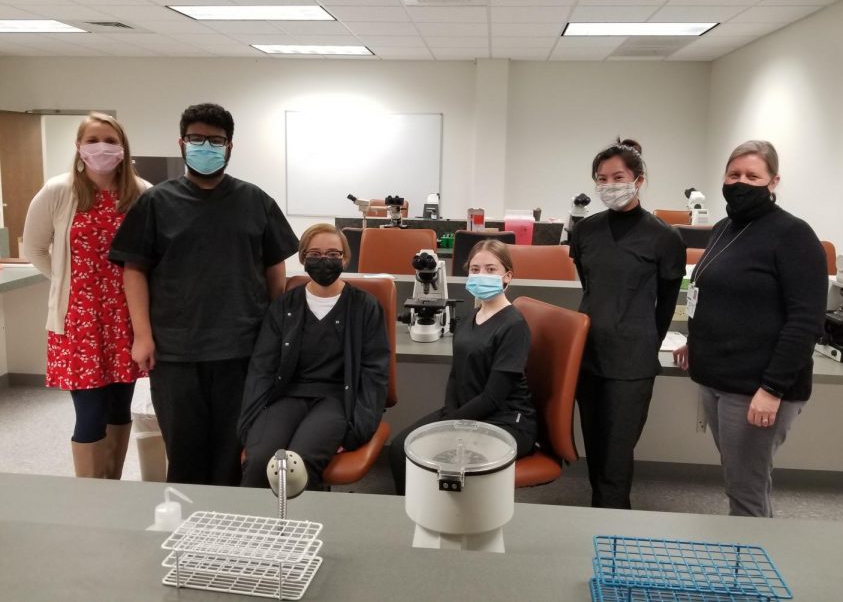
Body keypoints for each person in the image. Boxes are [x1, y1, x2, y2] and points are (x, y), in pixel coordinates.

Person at [109, 103, 299, 486]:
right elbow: (134, 271)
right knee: (185, 451)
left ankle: (231, 531)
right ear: (182, 143)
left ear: (230, 147)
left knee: (234, 449)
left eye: (216, 140)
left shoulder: (255, 201)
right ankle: (187, 530)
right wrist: (142, 335)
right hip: (177, 351)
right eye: (197, 139)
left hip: (242, 349)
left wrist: (277, 331)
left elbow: (274, 269)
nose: (206, 146)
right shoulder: (155, 203)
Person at [674, 140, 827, 517]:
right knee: (743, 478)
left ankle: (748, 571)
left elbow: (805, 321)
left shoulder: (793, 235)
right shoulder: (725, 227)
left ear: (773, 182)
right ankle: (749, 561)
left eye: (752, 176)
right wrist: (695, 341)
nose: (741, 182)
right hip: (718, 379)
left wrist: (772, 389)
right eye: (734, 174)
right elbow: (709, 293)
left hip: (758, 387)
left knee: (745, 492)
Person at [23, 112, 150, 479]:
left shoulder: (141, 194)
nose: (102, 148)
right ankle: (89, 494)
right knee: (90, 414)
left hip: (126, 320)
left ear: (123, 148)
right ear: (79, 147)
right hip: (79, 322)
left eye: (110, 141)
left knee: (119, 409)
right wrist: (67, 281)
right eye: (93, 140)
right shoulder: (59, 191)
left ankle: (110, 485)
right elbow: (34, 248)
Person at [570, 138, 686, 509]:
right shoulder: (584, 232)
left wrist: (642, 341)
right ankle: (598, 513)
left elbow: (667, 301)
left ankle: (614, 524)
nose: (609, 185)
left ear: (638, 179)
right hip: (588, 355)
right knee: (596, 445)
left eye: (617, 176)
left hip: (633, 359)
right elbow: (591, 288)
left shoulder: (664, 237)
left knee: (618, 453)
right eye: (601, 178)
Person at [238, 224, 390, 489]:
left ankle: (304, 529)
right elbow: (262, 368)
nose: (324, 260)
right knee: (260, 458)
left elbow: (374, 373)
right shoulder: (285, 305)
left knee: (300, 463)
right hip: (289, 395)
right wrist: (250, 423)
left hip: (336, 399)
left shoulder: (365, 306)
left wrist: (358, 431)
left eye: (333, 254)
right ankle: (257, 528)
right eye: (315, 253)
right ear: (303, 257)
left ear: (345, 258)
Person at [389, 239, 536, 494]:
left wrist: (450, 423)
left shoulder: (514, 325)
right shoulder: (469, 319)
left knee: (447, 464)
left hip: (505, 420)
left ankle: (451, 521)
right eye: (475, 269)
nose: (481, 275)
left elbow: (493, 397)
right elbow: (456, 376)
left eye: (491, 270)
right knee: (401, 448)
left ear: (507, 276)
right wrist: (450, 413)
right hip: (465, 413)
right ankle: (413, 517)